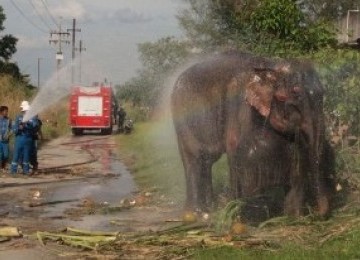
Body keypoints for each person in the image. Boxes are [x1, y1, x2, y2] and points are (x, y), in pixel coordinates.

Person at [10, 101, 39, 176]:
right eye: (25, 110)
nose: (25, 111)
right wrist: (19, 128)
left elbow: (35, 126)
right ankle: (13, 171)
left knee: (26, 155)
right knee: (16, 155)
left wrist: (27, 124)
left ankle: (26, 171)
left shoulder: (33, 117)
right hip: (19, 138)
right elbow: (14, 128)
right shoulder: (18, 117)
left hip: (28, 138)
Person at [0, 106, 12, 171]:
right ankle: (2, 167)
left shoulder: (9, 120)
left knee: (6, 155)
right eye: (5, 111)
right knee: (0, 154)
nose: (7, 112)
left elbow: (12, 129)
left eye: (7, 111)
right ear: (1, 112)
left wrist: (9, 135)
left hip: (6, 141)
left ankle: (3, 165)